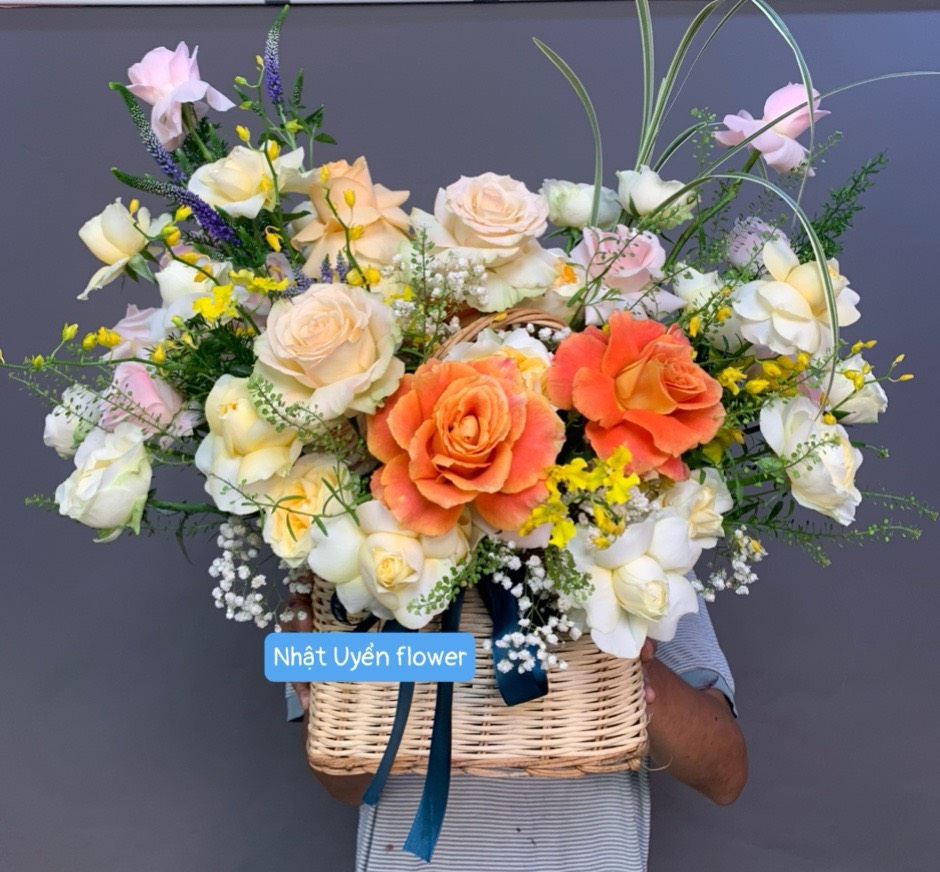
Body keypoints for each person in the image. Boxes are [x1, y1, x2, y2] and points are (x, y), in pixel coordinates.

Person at [283, 592, 747, 872]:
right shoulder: (357, 565)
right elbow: (344, 785)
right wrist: (359, 668)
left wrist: (620, 656)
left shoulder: (642, 551)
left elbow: (725, 774)